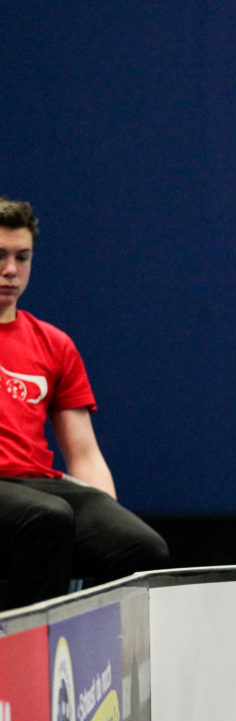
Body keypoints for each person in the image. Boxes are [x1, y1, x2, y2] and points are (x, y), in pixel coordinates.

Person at [0, 198, 169, 610]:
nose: (11, 270)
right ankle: (20, 660)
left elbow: (85, 454)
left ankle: (86, 661)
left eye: (23, 257)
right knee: (48, 518)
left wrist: (108, 520)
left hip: (35, 488)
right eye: (0, 256)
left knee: (141, 548)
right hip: (28, 506)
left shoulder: (54, 344)